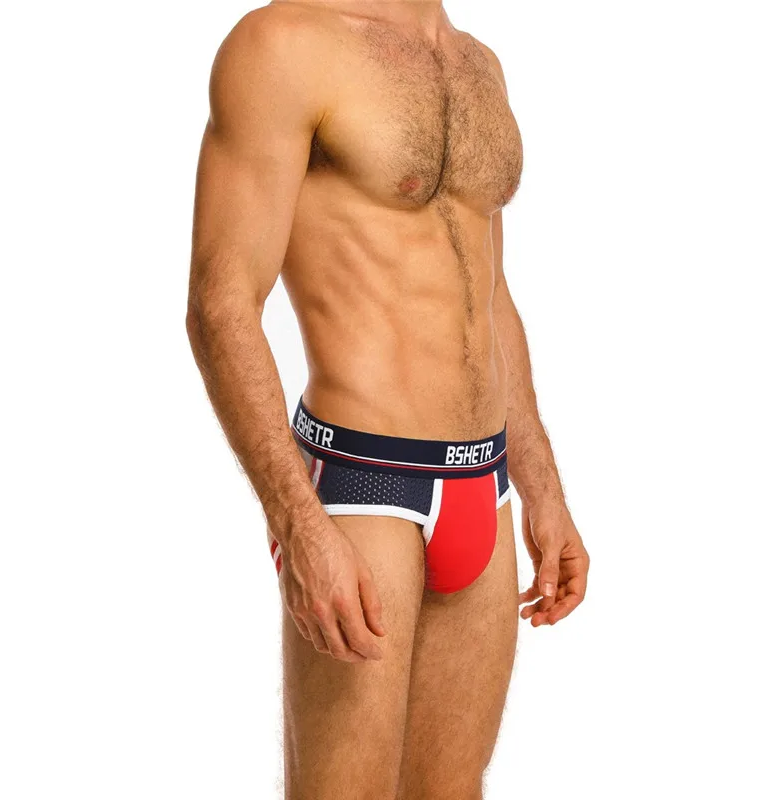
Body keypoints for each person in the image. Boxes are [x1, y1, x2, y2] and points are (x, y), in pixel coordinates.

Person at [186, 1, 590, 797]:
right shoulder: (283, 45)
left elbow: (489, 292)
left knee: (453, 789)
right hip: (361, 485)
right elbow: (221, 303)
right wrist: (299, 524)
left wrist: (542, 486)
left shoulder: (477, 63)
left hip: (484, 484)